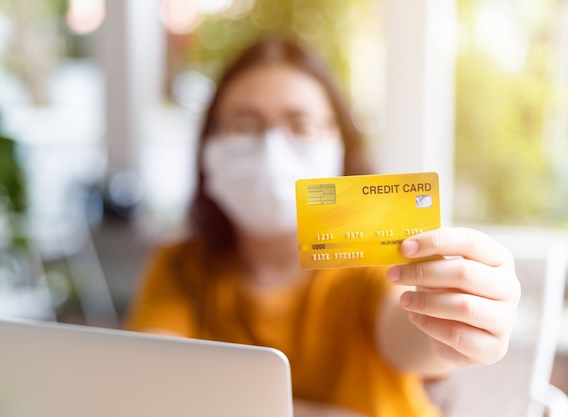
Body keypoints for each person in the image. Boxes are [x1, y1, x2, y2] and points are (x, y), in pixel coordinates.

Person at [125, 38, 521, 417]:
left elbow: (411, 336)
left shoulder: (377, 261)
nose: (271, 149)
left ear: (340, 143)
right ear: (208, 144)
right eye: (244, 125)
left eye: (301, 125)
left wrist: (458, 320)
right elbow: (153, 392)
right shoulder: (178, 267)